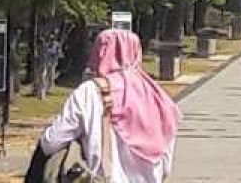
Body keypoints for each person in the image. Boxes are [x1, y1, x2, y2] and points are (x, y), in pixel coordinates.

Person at [37, 29, 180, 183]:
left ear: (100, 52)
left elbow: (51, 142)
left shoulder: (89, 92)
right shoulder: (157, 98)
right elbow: (165, 167)